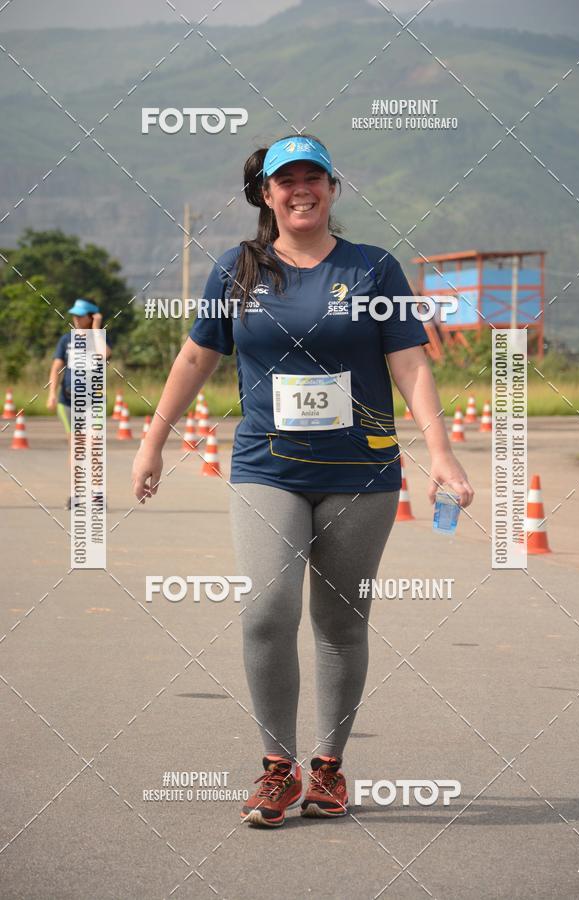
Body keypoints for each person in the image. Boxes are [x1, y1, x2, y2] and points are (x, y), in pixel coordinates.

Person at [131, 134, 474, 828]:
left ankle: (328, 769)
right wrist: (152, 442)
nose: (299, 190)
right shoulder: (239, 269)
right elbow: (197, 355)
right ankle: (277, 769)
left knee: (340, 622)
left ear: (331, 187)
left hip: (362, 473)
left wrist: (441, 454)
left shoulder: (373, 268)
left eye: (312, 177)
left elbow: (410, 365)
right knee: (265, 612)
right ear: (266, 194)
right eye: (285, 180)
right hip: (267, 468)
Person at [48, 298, 112, 509]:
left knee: (93, 445)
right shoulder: (66, 340)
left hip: (94, 402)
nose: (75, 318)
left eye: (80, 315)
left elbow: (105, 355)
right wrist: (51, 393)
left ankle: (96, 494)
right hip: (68, 402)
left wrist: (96, 328)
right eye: (74, 314)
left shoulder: (98, 340)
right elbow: (56, 367)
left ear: (92, 316)